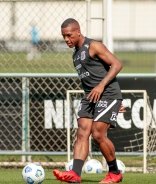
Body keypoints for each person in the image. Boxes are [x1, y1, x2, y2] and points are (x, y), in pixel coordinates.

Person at [53, 18, 125, 183]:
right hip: (90, 96)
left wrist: (102, 87)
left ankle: (114, 173)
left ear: (78, 32)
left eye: (69, 35)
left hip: (107, 93)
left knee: (98, 133)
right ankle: (75, 174)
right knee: (82, 131)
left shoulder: (94, 46)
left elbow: (116, 64)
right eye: (64, 36)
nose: (66, 39)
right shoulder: (76, 55)